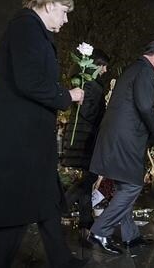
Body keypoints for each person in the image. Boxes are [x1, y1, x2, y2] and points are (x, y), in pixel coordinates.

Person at [0, 0, 86, 268]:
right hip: (19, 139)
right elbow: (29, 81)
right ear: (50, 3)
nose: (66, 19)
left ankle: (61, 259)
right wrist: (66, 95)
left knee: (46, 200)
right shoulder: (26, 26)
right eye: (65, 11)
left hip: (28, 137)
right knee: (15, 211)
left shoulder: (33, 30)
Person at [87, 40, 154, 255]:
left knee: (123, 187)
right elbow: (145, 106)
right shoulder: (146, 72)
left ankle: (130, 236)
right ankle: (100, 230)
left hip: (117, 136)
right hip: (125, 140)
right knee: (133, 186)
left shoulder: (134, 69)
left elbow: (135, 107)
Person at [60, 48, 110, 233]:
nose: (105, 71)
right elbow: (88, 112)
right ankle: (60, 206)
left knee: (88, 176)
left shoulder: (88, 83)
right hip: (85, 137)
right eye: (104, 67)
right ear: (96, 65)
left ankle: (85, 219)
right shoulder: (91, 85)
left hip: (82, 136)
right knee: (89, 177)